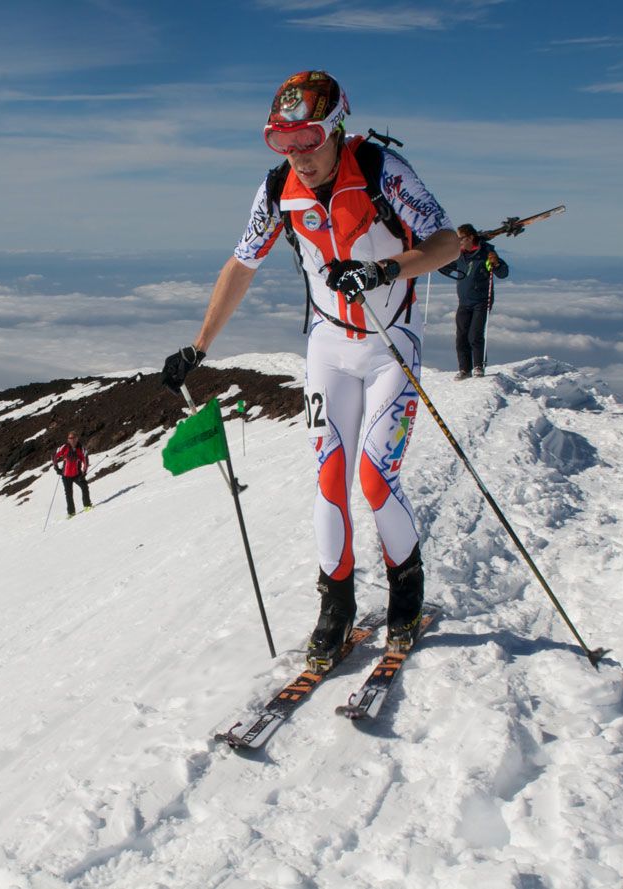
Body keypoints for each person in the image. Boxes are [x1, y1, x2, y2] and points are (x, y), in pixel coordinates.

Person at [160, 70, 458, 665]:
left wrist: (383, 270)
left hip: (389, 341)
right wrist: (199, 346)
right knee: (329, 481)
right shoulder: (276, 191)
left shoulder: (381, 171)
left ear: (337, 129)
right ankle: (336, 603)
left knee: (374, 480)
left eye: (309, 140)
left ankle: (407, 587)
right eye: (282, 142)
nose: (298, 156)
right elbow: (241, 265)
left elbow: (446, 243)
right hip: (328, 345)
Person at [440, 223, 509, 379]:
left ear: (470, 237)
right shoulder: (459, 254)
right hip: (464, 302)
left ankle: (478, 366)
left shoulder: (486, 252)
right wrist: (438, 258)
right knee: (461, 336)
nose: (458, 242)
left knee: (474, 334)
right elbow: (445, 268)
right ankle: (465, 369)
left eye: (461, 239)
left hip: (482, 301)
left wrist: (496, 264)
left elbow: (503, 273)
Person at [52, 431, 92, 517]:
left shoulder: (82, 449)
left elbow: (85, 460)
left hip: (77, 474)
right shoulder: (64, 447)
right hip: (65, 475)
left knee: (84, 487)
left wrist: (84, 473)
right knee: (68, 493)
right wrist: (56, 468)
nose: (72, 440)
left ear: (77, 438)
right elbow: (55, 456)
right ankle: (71, 512)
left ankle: (87, 506)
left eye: (74, 438)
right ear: (68, 439)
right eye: (70, 438)